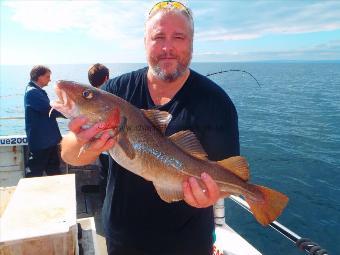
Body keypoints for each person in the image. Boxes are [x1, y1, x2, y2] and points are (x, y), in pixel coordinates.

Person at [61, 1, 239, 254]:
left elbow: (229, 175)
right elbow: (68, 154)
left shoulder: (217, 103)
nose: (167, 47)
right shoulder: (115, 92)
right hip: (123, 239)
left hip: (189, 244)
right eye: (158, 37)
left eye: (178, 36)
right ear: (145, 42)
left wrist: (213, 195)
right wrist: (82, 142)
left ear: (191, 42)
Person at [24, 65, 64, 177]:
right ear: (39, 77)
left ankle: (56, 192)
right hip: (41, 142)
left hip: (47, 141)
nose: (49, 79)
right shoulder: (33, 92)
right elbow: (50, 110)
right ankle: (29, 193)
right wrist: (71, 112)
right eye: (47, 76)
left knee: (54, 171)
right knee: (34, 172)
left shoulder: (36, 91)